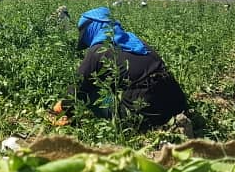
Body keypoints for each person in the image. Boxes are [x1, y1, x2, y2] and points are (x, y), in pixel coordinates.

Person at [50, 7, 187, 130]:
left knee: (92, 94)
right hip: (177, 102)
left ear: (92, 28)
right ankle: (176, 122)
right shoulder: (135, 41)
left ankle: (140, 122)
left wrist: (61, 107)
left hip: (146, 112)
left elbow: (78, 88)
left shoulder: (98, 49)